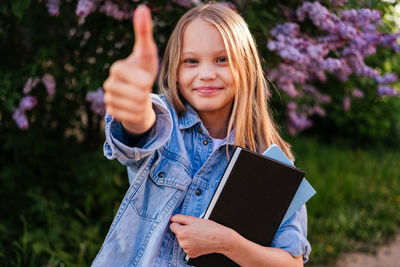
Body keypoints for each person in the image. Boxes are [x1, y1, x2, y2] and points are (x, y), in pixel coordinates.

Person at [94, 2, 311, 266]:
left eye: (222, 59)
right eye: (191, 61)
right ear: (175, 70)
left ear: (246, 66)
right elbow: (141, 128)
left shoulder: (272, 161)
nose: (206, 74)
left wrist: (226, 242)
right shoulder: (165, 123)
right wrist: (135, 109)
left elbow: (292, 262)